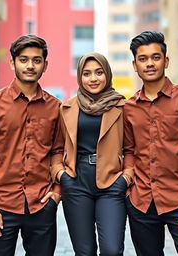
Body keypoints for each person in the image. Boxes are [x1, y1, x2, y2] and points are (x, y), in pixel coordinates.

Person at [0, 35, 63, 256]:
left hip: (41, 204)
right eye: (23, 60)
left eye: (36, 60)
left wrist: (57, 194)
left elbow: (59, 152)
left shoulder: (56, 107)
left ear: (45, 65)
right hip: (1, 205)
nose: (30, 65)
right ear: (13, 63)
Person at [123, 31, 178, 256]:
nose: (149, 63)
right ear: (135, 65)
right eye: (143, 59)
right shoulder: (128, 107)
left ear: (166, 61)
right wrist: (129, 189)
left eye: (155, 57)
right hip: (141, 201)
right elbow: (129, 151)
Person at [50, 52, 133, 255]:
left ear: (107, 74)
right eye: (86, 74)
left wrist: (125, 178)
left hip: (112, 183)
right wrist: (61, 175)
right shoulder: (67, 108)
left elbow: (131, 148)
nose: (93, 78)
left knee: (112, 250)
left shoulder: (122, 107)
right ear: (80, 77)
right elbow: (57, 149)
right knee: (84, 251)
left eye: (99, 72)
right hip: (76, 182)